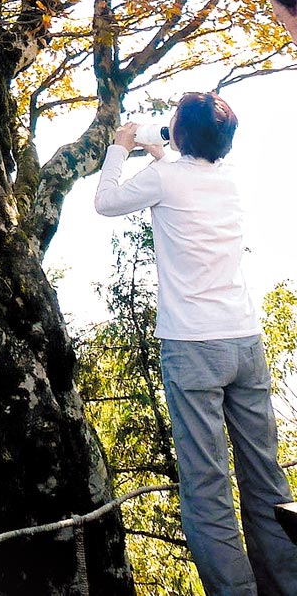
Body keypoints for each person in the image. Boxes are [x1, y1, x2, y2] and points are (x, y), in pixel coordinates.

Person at [95, 91, 297, 596]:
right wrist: (161, 151)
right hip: (244, 343)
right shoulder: (223, 180)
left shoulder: (165, 178)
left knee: (208, 488)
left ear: (180, 134)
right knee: (265, 478)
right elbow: (183, 173)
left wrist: (120, 148)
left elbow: (105, 202)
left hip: (194, 349)